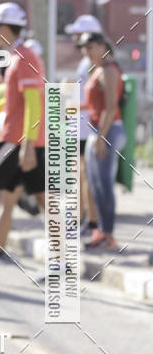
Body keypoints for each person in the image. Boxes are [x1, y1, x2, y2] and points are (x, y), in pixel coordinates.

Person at [0, 2, 46, 261]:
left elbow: (34, 102)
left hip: (17, 142)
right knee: (43, 200)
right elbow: (12, 101)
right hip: (22, 140)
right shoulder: (19, 56)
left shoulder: (24, 57)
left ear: (4, 28)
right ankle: (64, 262)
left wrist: (26, 144)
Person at [78, 31, 126, 252]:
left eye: (89, 47)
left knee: (104, 185)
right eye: (84, 48)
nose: (86, 52)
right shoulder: (97, 70)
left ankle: (108, 234)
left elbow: (110, 106)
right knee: (95, 186)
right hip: (96, 130)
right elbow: (95, 106)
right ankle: (99, 231)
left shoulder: (108, 70)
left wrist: (100, 137)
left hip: (106, 130)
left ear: (101, 46)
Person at [65, 14, 103, 236]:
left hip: (87, 127)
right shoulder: (86, 61)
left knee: (86, 176)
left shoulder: (92, 62)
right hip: (79, 126)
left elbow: (94, 99)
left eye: (79, 35)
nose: (75, 38)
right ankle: (82, 220)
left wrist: (71, 107)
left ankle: (90, 222)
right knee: (79, 176)